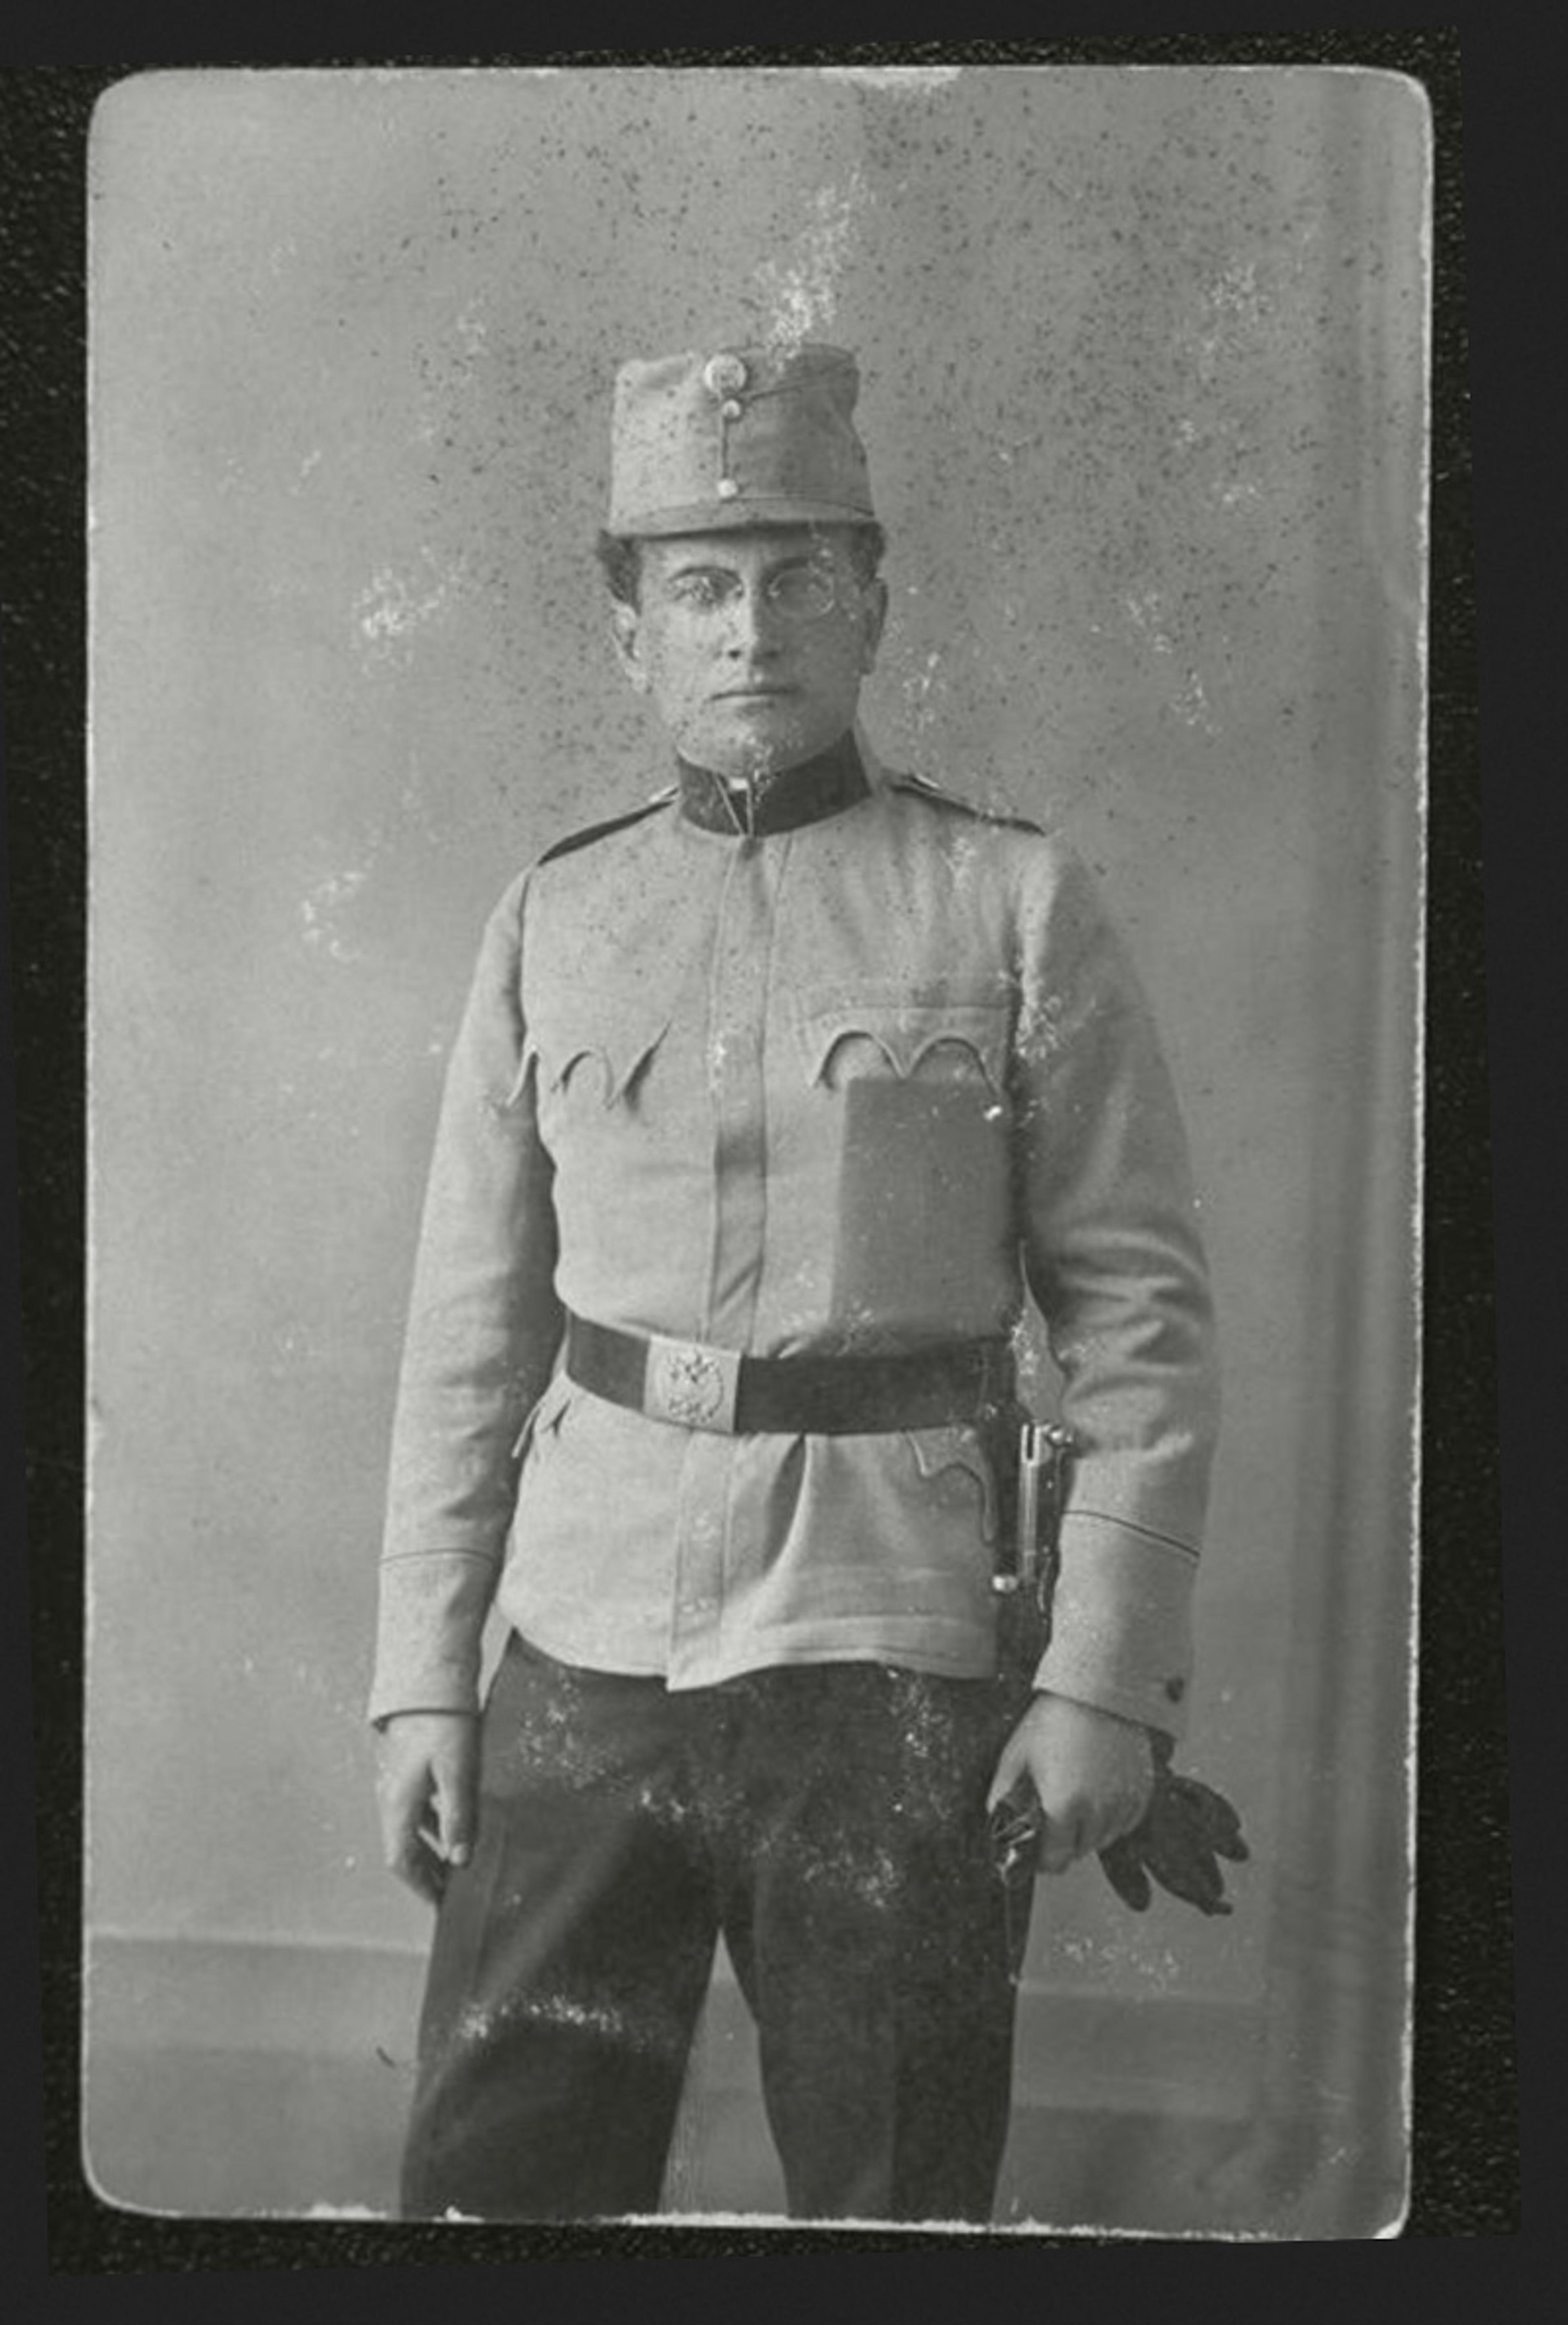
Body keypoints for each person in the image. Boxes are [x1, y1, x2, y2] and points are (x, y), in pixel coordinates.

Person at [370, 340, 1220, 2224]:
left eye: (796, 577)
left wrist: (1105, 1682)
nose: (749, 628)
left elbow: (1140, 1323)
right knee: (498, 2187)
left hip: (890, 1655)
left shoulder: (1009, 904)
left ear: (873, 602)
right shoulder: (554, 918)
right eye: (699, 586)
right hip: (587, 1650)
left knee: (897, 2187)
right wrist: (423, 1683)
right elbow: (470, 1338)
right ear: (631, 635)